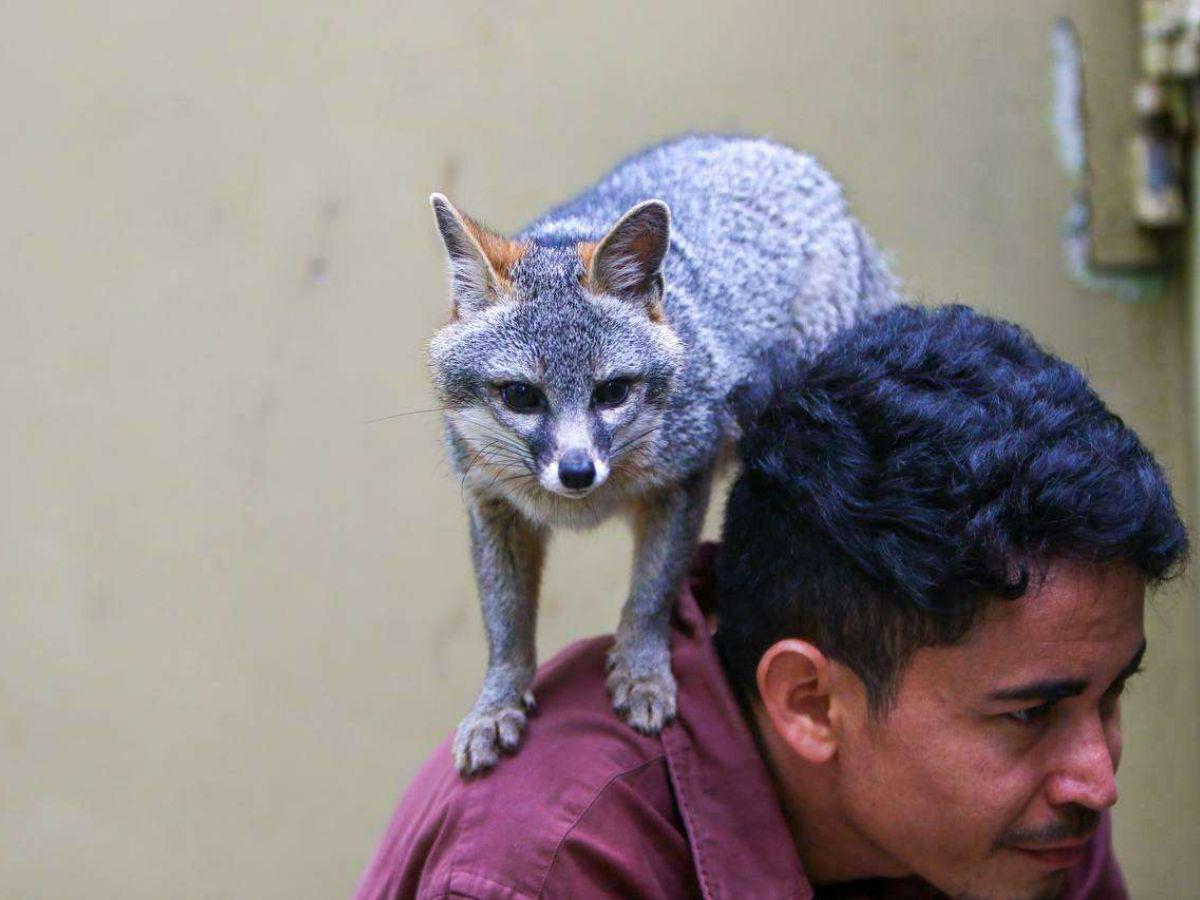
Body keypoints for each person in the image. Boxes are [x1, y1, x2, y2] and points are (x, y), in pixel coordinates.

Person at [356, 304, 1188, 899]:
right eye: (1030, 715)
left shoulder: (1026, 823)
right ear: (810, 702)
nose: (1096, 778)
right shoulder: (549, 861)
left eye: (1111, 695)